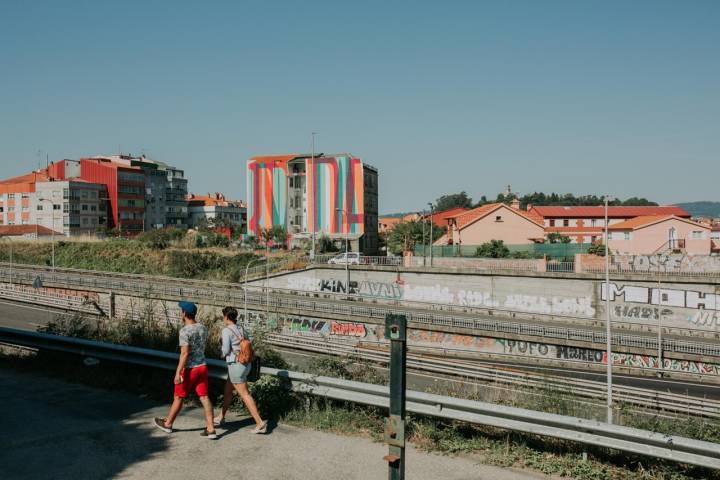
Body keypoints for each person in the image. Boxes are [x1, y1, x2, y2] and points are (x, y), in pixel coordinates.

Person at [154, 301, 218, 439]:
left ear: (184, 313)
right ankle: (211, 429)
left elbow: (184, 354)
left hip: (189, 370)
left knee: (178, 397)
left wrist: (178, 372)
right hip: (202, 366)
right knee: (204, 397)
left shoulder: (184, 331)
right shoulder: (203, 327)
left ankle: (168, 424)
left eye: (181, 311)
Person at [214, 306, 268, 433]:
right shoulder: (241, 328)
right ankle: (221, 416)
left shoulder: (226, 331)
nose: (223, 318)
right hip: (245, 364)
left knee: (245, 394)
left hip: (235, 365)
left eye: (223, 316)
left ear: (226, 317)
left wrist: (221, 350)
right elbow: (248, 341)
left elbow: (226, 350)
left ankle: (260, 423)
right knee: (228, 391)